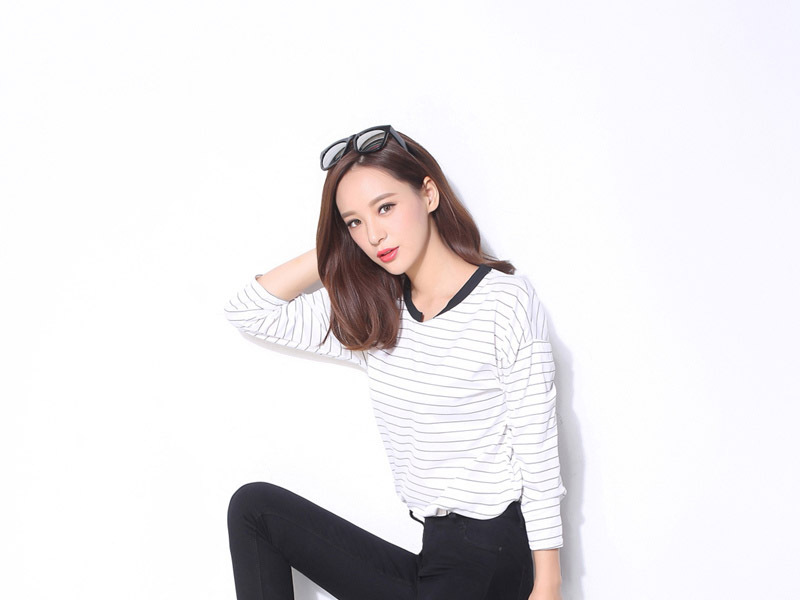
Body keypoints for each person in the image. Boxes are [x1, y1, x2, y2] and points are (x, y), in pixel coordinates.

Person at [223, 125, 567, 600]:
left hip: (493, 555)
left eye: (385, 207)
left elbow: (538, 446)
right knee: (255, 509)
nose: (374, 234)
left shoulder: (503, 302)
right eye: (354, 222)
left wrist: (548, 583)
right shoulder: (378, 315)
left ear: (428, 193)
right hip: (437, 556)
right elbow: (250, 311)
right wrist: (336, 249)